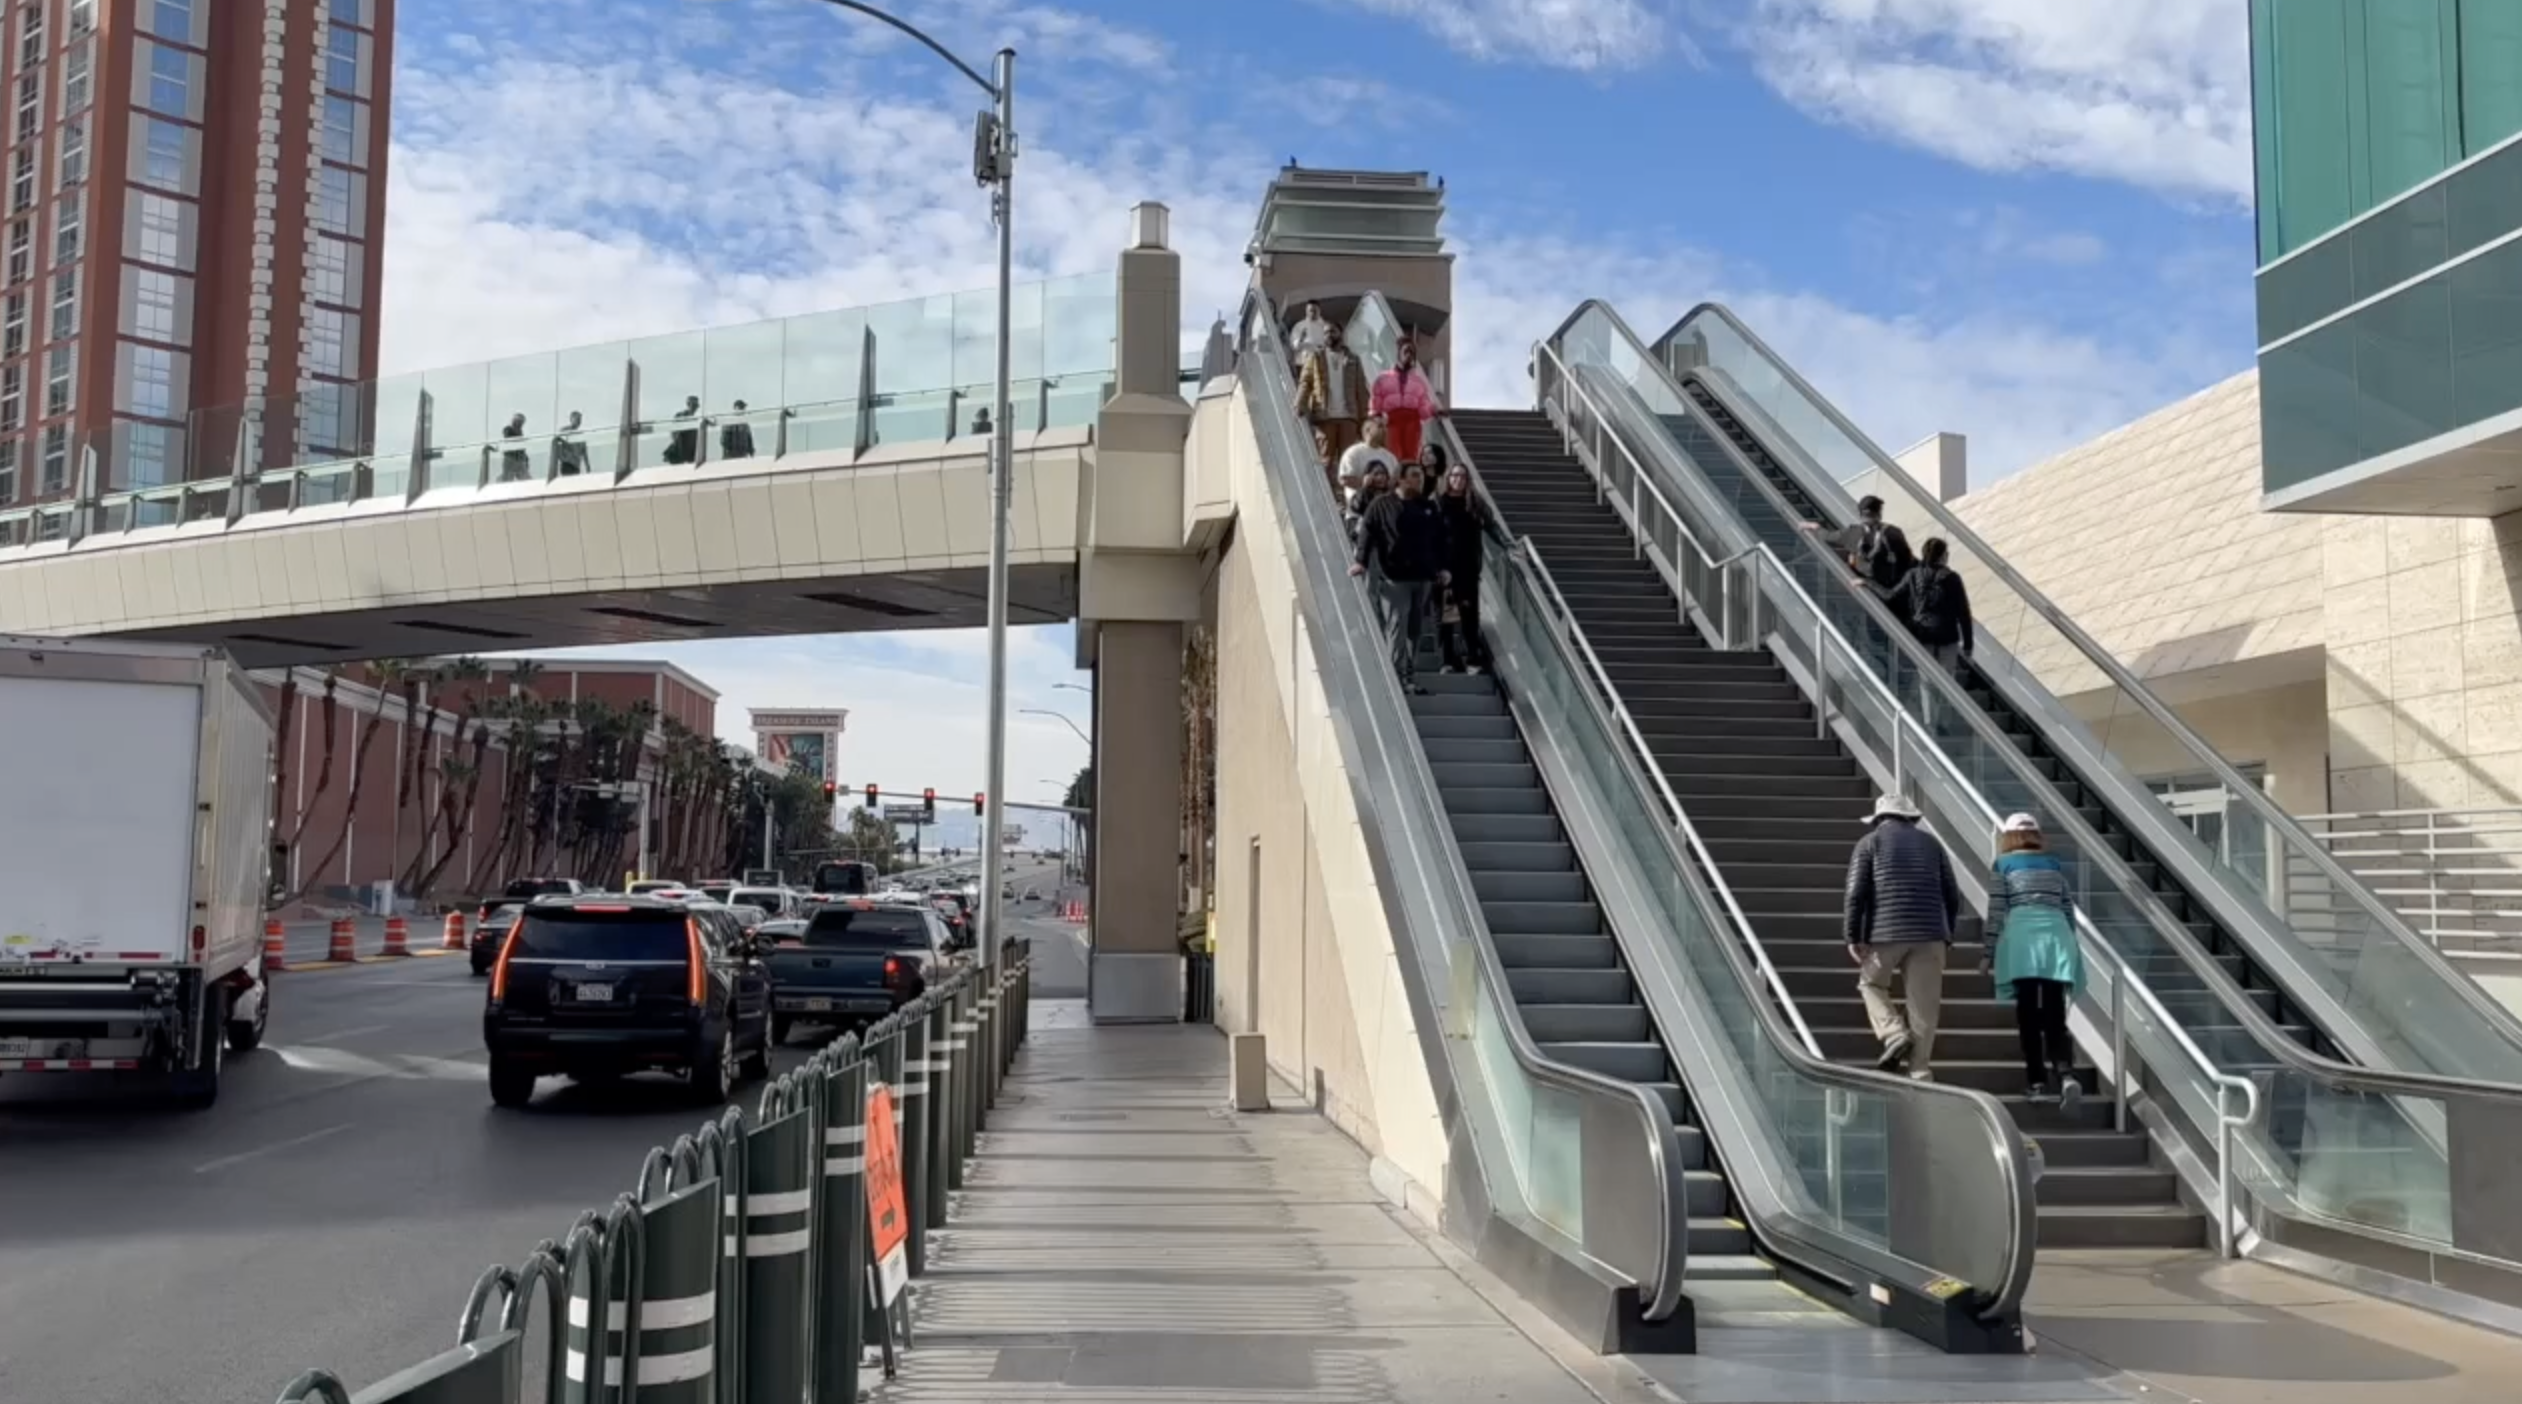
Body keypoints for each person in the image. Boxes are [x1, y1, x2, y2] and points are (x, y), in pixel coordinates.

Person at [1843, 793, 1960, 1078]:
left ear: (1879, 819)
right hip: (1931, 933)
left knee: (1871, 984)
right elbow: (1951, 893)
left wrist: (1853, 936)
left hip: (1886, 933)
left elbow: (1855, 893)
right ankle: (1920, 1071)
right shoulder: (1932, 844)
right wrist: (1947, 933)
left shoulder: (1869, 843)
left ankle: (1894, 1033)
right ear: (1910, 817)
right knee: (1924, 1006)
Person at [1986, 812, 2085, 1105]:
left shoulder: (2003, 865)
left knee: (2028, 1015)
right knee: (2055, 1012)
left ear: (2008, 836)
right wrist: (2071, 944)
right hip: (2057, 940)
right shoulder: (2053, 864)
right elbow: (2067, 908)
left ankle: (2037, 1082)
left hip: (2022, 942)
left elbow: (1996, 911)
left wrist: (1987, 952)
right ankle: (2066, 1073)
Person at [1348, 462, 1450, 693]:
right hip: (1394, 578)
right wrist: (1360, 562)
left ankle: (1410, 675)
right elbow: (1367, 533)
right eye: (1415, 476)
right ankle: (1396, 678)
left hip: (1423, 577)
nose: (1420, 480)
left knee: (1415, 629)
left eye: (1421, 476)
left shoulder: (1428, 506)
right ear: (1401, 479)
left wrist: (1443, 567)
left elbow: (1440, 539)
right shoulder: (1381, 504)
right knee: (1397, 626)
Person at [1296, 322, 1372, 496]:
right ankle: (1326, 496)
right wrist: (1299, 404)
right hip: (1325, 415)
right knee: (1326, 460)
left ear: (1340, 333)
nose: (1329, 334)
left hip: (1348, 417)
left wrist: (1364, 419)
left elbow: (1361, 389)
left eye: (1333, 331)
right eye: (1326, 332)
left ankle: (1347, 496)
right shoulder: (1315, 357)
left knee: (1348, 460)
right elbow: (1305, 382)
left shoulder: (1353, 359)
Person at [1433, 451, 1491, 673]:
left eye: (1462, 476)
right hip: (1445, 568)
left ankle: (1472, 658)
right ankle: (1447, 659)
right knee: (1446, 616)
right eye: (1454, 475)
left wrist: (1510, 547)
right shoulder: (1439, 502)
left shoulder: (1473, 503)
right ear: (1448, 478)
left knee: (1469, 615)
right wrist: (1437, 566)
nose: (1458, 479)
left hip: (1468, 567)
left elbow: (1491, 526)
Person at [1883, 536, 1975, 676]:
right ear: (1943, 556)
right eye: (1946, 553)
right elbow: (1964, 613)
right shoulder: (1952, 578)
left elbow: (1890, 595)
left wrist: (1867, 583)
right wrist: (1968, 645)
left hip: (1923, 634)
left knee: (1926, 681)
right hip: (1947, 636)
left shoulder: (1913, 574)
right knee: (1948, 683)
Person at [1371, 337, 1442, 463]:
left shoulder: (1419, 382)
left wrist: (1432, 409)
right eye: (1406, 351)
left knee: (1410, 457)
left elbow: (1422, 410)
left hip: (1412, 422)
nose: (1409, 355)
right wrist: (1376, 416)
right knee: (1392, 455)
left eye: (1412, 353)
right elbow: (1375, 402)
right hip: (1391, 420)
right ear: (1399, 353)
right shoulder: (1382, 379)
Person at [1338, 414, 1399, 504]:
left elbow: (1396, 481)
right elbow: (1344, 479)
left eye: (1386, 427)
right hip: (1359, 507)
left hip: (1384, 506)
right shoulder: (1353, 452)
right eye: (1380, 426)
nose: (1385, 430)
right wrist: (1366, 484)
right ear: (1368, 430)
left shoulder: (1390, 457)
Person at [664, 394, 702, 464]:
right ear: (688, 404)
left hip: (689, 454)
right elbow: (675, 434)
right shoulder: (681, 416)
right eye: (693, 405)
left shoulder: (695, 420)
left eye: (695, 406)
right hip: (681, 453)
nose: (695, 408)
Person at [552, 410, 589, 476]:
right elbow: (557, 444)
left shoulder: (580, 435)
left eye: (580, 419)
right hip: (567, 463)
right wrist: (563, 457)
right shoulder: (564, 431)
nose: (579, 421)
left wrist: (588, 467)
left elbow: (584, 452)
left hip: (576, 465)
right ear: (571, 419)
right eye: (577, 419)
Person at [499, 412, 531, 481]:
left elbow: (521, 448)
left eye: (521, 421)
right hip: (510, 458)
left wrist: (526, 459)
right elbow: (509, 439)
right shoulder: (508, 429)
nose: (520, 423)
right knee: (507, 478)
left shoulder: (520, 432)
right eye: (518, 421)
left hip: (519, 459)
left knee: (525, 479)